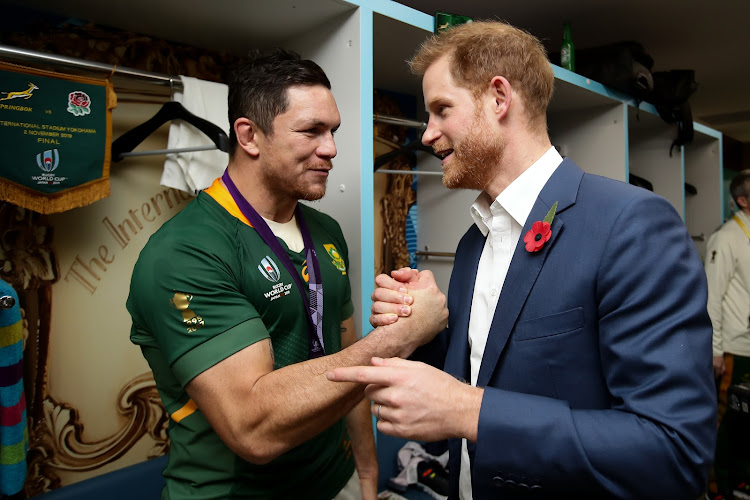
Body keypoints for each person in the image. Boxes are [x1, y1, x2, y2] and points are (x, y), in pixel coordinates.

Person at [327, 21, 717, 500]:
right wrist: (426, 335)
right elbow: (482, 380)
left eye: (441, 109)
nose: (427, 135)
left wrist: (469, 410)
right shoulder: (475, 242)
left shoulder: (632, 224)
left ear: (498, 98)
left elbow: (674, 453)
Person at [126, 48, 448, 499]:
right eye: (311, 130)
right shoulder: (186, 253)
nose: (332, 148)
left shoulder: (325, 230)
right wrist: (403, 336)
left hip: (337, 480)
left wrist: (367, 476)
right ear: (249, 136)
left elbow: (344, 351)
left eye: (333, 130)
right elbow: (253, 430)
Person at [705, 169, 750, 500]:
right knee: (728, 423)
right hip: (734, 351)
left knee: (747, 426)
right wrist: (716, 350)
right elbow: (712, 297)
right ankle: (717, 487)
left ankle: (742, 481)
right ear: (743, 201)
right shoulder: (726, 238)